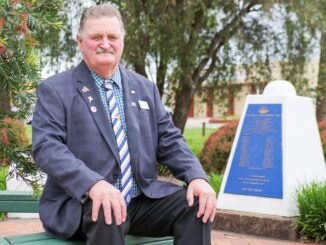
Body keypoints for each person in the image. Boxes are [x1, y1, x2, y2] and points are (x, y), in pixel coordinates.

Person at [32, 3, 216, 245]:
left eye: (112, 37)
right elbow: (47, 147)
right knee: (108, 210)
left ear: (122, 42)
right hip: (81, 204)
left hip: (140, 200)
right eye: (96, 36)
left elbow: (170, 140)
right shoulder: (55, 89)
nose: (105, 43)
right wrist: (93, 183)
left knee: (195, 204)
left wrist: (197, 177)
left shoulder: (145, 88)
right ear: (80, 41)